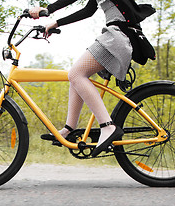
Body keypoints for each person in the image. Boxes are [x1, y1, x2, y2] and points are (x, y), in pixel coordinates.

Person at [29, 0, 131, 157]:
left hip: (117, 35)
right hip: (119, 34)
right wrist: (56, 23)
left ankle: (107, 126)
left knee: (76, 74)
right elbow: (88, 10)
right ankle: (69, 129)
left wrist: (48, 9)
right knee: (76, 76)